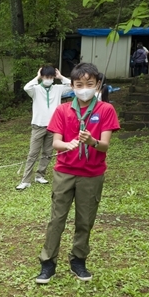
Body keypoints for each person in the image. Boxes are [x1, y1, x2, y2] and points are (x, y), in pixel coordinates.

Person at [36, 62, 120, 284]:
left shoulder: (105, 110)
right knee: (57, 219)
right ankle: (47, 263)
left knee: (85, 220)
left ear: (98, 85)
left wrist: (92, 141)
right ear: (71, 85)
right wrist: (68, 145)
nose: (84, 88)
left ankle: (78, 260)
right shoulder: (63, 110)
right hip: (64, 172)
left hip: (92, 174)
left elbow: (104, 146)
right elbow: (55, 143)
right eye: (79, 84)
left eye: (90, 84)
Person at [17, 66, 72, 190]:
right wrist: (37, 76)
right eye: (47, 77)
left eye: (51, 77)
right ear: (42, 77)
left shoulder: (58, 89)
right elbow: (26, 87)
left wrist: (61, 77)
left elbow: (73, 85)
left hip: (54, 125)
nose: (49, 79)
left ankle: (40, 175)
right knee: (33, 153)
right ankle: (26, 180)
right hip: (38, 125)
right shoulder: (35, 89)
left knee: (48, 152)